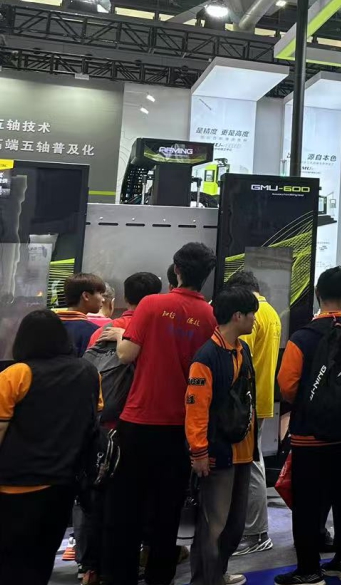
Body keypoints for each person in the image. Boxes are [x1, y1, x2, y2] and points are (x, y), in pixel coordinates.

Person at [103, 243, 218, 585]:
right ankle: (160, 577)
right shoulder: (209, 317)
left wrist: (122, 334)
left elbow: (126, 354)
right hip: (179, 426)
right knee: (168, 510)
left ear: (176, 270)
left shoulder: (152, 305)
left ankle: (121, 577)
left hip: (138, 420)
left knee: (126, 507)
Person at [276, 267, 341, 585]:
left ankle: (309, 569)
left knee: (307, 500)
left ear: (318, 294)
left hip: (309, 434)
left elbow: (287, 385)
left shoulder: (302, 337)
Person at [0, 310, 101, 585]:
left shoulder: (17, 374)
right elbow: (94, 418)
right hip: (63, 484)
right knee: (41, 560)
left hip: (15, 486)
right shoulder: (88, 372)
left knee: (10, 564)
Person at [77, 272, 162, 585]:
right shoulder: (152, 330)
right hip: (134, 426)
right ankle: (134, 558)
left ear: (125, 298)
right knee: (134, 501)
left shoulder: (104, 330)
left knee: (95, 497)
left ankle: (90, 567)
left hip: (100, 426)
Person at [186, 286, 258, 585]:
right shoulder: (207, 356)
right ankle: (205, 580)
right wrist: (199, 451)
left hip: (243, 451)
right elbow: (196, 408)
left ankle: (219, 573)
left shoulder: (243, 350)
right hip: (218, 452)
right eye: (252, 314)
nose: (255, 320)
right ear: (238, 316)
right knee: (213, 526)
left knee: (234, 525)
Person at [229, 271, 282, 558]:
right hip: (259, 396)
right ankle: (253, 531)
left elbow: (237, 354)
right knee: (252, 461)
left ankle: (255, 533)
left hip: (244, 400)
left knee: (249, 464)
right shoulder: (271, 312)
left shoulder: (251, 315)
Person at [56, 273, 107, 356]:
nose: (103, 299)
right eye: (100, 293)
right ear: (86, 296)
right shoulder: (94, 331)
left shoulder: (46, 324)